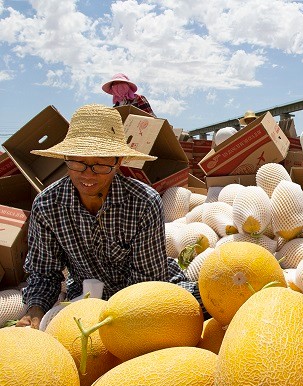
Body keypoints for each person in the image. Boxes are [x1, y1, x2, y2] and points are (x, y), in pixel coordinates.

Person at [16, 104, 203, 329]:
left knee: (203, 305)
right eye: (78, 162)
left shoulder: (143, 202)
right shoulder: (47, 205)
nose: (88, 174)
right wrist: (34, 312)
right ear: (66, 158)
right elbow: (44, 274)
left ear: (118, 162)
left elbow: (146, 283)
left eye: (101, 164)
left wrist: (113, 321)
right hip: (87, 297)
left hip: (149, 293)